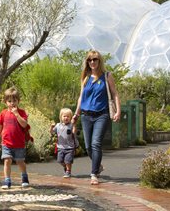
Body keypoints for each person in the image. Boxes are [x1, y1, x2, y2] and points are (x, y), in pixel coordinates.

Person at [72, 50, 121, 185]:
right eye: (89, 60)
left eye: (95, 59)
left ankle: (94, 173)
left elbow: (115, 94)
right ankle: (98, 165)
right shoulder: (85, 77)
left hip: (102, 114)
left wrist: (118, 111)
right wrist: (76, 113)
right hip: (86, 116)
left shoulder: (107, 76)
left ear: (100, 61)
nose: (92, 62)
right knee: (88, 147)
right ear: (87, 62)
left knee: (96, 143)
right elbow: (81, 97)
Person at [0, 87, 30, 189]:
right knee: (7, 160)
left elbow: (24, 124)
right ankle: (7, 180)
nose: (12, 103)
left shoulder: (22, 112)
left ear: (18, 101)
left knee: (20, 161)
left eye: (14, 101)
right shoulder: (3, 113)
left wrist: (16, 114)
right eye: (9, 101)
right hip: (6, 143)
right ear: (5, 102)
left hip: (19, 143)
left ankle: (24, 176)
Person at [50, 107, 79, 178]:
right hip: (60, 147)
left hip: (70, 147)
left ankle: (68, 171)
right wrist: (51, 127)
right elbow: (52, 132)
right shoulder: (58, 125)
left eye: (68, 116)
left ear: (71, 117)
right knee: (60, 161)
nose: (66, 118)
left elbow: (74, 133)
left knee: (68, 161)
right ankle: (66, 168)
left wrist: (74, 125)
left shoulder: (71, 125)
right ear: (61, 117)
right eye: (64, 116)